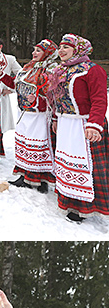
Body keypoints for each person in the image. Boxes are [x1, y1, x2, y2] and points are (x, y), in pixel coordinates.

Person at [46, 34, 109, 223]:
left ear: (78, 49)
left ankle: (84, 206)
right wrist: (56, 118)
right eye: (60, 48)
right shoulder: (59, 71)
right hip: (66, 124)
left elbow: (99, 99)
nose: (61, 51)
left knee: (86, 165)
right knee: (67, 162)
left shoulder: (91, 70)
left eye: (67, 47)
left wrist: (95, 125)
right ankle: (69, 200)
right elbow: (57, 99)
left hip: (84, 124)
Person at [7, 39, 58, 191]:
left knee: (38, 147)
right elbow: (15, 84)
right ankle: (24, 175)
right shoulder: (29, 67)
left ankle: (40, 179)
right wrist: (0, 75)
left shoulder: (51, 69)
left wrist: (39, 98)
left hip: (39, 115)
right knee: (25, 145)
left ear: (47, 53)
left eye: (38, 51)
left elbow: (54, 94)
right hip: (24, 113)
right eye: (34, 50)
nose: (34, 53)